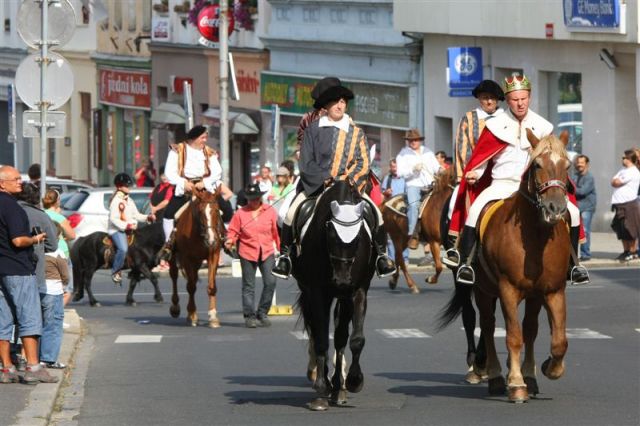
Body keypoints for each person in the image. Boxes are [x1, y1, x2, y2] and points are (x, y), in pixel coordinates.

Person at [446, 74, 589, 286]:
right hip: (501, 184)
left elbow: (553, 160)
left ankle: (573, 264)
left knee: (574, 213)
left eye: (523, 98)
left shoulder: (543, 126)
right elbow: (483, 157)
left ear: (529, 97)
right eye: (514, 99)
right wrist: (476, 171)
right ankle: (466, 261)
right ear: (507, 99)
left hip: (534, 187)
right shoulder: (495, 125)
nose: (520, 103)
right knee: (476, 208)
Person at [271, 76, 396, 279]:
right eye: (336, 101)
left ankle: (382, 256)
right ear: (326, 105)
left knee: (376, 213)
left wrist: (348, 182)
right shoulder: (312, 129)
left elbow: (363, 162)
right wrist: (325, 178)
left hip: (350, 188)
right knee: (290, 212)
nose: (340, 105)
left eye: (343, 102)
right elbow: (306, 162)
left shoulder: (356, 132)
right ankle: (285, 257)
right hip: (317, 187)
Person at [0, 166, 58, 384]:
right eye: (15, 179)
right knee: (29, 317)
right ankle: (33, 366)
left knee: (3, 319)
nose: (20, 182)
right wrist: (35, 239)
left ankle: (6, 368)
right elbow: (18, 240)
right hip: (18, 268)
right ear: (2, 183)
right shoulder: (12, 207)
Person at [158, 125, 223, 261]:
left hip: (204, 189)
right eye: (202, 137)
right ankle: (169, 245)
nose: (205, 140)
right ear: (194, 138)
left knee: (225, 210)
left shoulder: (210, 152)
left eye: (205, 137)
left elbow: (217, 172)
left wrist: (204, 183)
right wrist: (183, 183)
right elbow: (170, 172)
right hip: (185, 190)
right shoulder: (177, 150)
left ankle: (225, 241)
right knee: (169, 215)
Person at [224, 183, 280, 328]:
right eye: (250, 199)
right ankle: (249, 316)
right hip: (247, 252)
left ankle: (262, 312)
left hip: (267, 251)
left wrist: (282, 249)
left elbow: (276, 232)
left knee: (271, 282)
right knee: (248, 285)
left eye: (256, 198)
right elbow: (233, 231)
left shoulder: (270, 211)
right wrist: (230, 240)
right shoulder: (240, 213)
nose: (253, 202)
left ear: (260, 197)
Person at [395, 128, 442, 250]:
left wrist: (441, 171)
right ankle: (413, 235)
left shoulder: (428, 152)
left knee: (442, 204)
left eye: (415, 140)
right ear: (407, 141)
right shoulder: (403, 154)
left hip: (430, 184)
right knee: (414, 205)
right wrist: (413, 169)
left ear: (420, 140)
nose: (413, 142)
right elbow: (399, 172)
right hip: (413, 185)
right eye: (411, 140)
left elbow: (436, 167)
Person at [454, 79, 505, 181]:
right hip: (475, 172)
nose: (489, 102)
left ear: (497, 99)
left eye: (492, 98)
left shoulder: (506, 118)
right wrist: (469, 172)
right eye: (485, 98)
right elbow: (463, 148)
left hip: (503, 171)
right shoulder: (468, 119)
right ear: (479, 99)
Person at [108, 173, 154, 283]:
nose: (128, 188)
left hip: (130, 230)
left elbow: (136, 215)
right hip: (117, 230)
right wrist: (127, 225)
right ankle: (115, 271)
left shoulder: (129, 200)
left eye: (128, 186)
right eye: (126, 186)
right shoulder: (116, 201)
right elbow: (114, 219)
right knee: (123, 249)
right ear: (119, 187)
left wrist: (148, 217)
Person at [42, 189, 76, 306]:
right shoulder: (60, 218)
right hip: (61, 253)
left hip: (44, 253)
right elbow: (72, 235)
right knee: (66, 289)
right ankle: (58, 317)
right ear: (57, 201)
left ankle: (48, 315)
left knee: (48, 288)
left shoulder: (41, 214)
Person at [40, 244, 69, 369]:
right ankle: (49, 359)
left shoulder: (37, 249)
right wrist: (65, 284)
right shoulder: (57, 252)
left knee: (40, 323)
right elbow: (65, 275)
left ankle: (36, 356)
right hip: (54, 290)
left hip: (38, 289)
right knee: (54, 325)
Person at [610, 149, 640, 261]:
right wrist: (615, 181)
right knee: (621, 230)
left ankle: (632, 251)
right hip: (619, 204)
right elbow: (612, 181)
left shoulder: (633, 171)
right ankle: (626, 251)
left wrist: (616, 181)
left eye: (624, 158)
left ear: (629, 159)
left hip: (629, 204)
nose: (622, 159)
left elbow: (617, 182)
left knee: (630, 230)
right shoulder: (622, 169)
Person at [381, 158, 409, 265]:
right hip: (390, 211)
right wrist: (386, 192)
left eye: (396, 167)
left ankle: (404, 259)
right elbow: (383, 193)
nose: (394, 169)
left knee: (404, 235)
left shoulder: (406, 178)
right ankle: (392, 259)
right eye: (393, 167)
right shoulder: (387, 178)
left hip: (402, 211)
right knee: (390, 236)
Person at [572, 155, 597, 261]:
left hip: (587, 207)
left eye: (582, 162)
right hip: (576, 207)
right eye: (578, 162)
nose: (579, 165)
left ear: (587, 164)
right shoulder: (574, 176)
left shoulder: (589, 177)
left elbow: (582, 192)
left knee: (585, 230)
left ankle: (585, 253)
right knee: (575, 231)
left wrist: (571, 187)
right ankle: (575, 254)